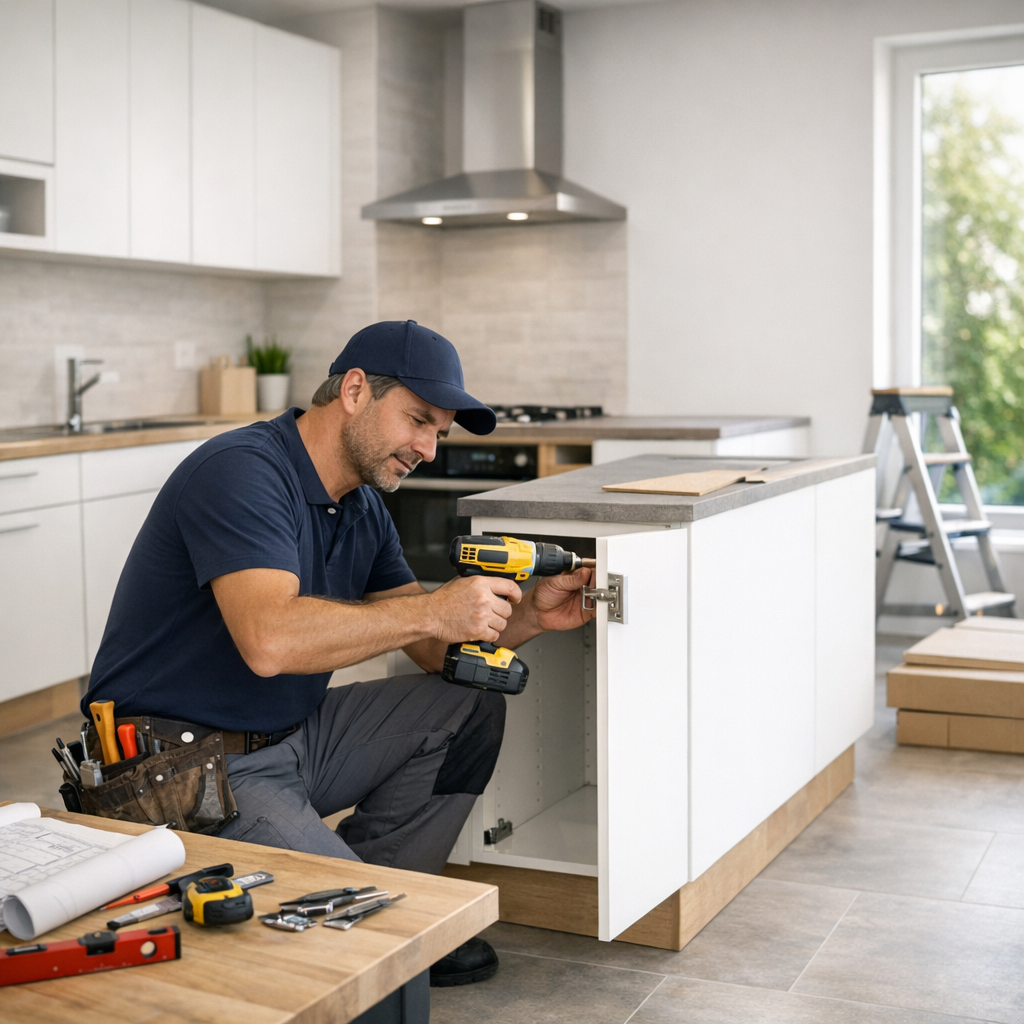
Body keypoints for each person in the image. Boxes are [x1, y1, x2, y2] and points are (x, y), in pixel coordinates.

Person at [81, 320, 595, 986]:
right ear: (354, 390)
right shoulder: (240, 472)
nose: (428, 448)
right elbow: (269, 641)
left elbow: (432, 649)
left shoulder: (360, 505)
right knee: (368, 953)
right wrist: (436, 607)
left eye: (439, 431)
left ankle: (376, 898)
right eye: (418, 421)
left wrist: (528, 616)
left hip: (292, 737)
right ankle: (370, 917)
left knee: (468, 703)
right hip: (184, 767)